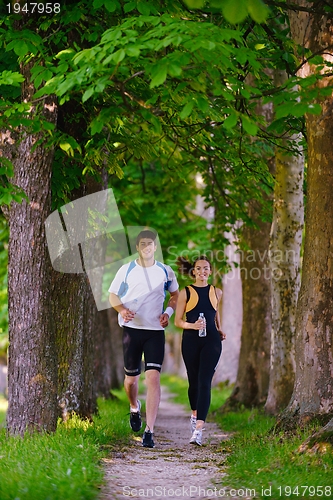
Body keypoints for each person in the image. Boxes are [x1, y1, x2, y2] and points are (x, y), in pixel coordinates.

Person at [108, 230, 179, 448]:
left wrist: (168, 312)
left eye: (151, 244)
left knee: (153, 378)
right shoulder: (127, 269)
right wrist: (121, 309)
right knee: (131, 380)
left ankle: (149, 431)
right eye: (143, 244)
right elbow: (112, 295)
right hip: (132, 330)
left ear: (155, 247)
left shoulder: (165, 271)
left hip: (155, 331)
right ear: (138, 247)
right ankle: (133, 407)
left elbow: (175, 295)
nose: (147, 247)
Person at [175, 255, 225, 446]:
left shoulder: (217, 292)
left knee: (205, 382)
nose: (203, 271)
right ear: (194, 271)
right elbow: (178, 321)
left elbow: (215, 312)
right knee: (194, 383)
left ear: (210, 271)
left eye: (206, 268)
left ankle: (198, 431)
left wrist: (219, 328)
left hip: (211, 341)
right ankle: (194, 414)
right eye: (199, 268)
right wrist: (192, 326)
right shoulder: (185, 292)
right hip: (190, 341)